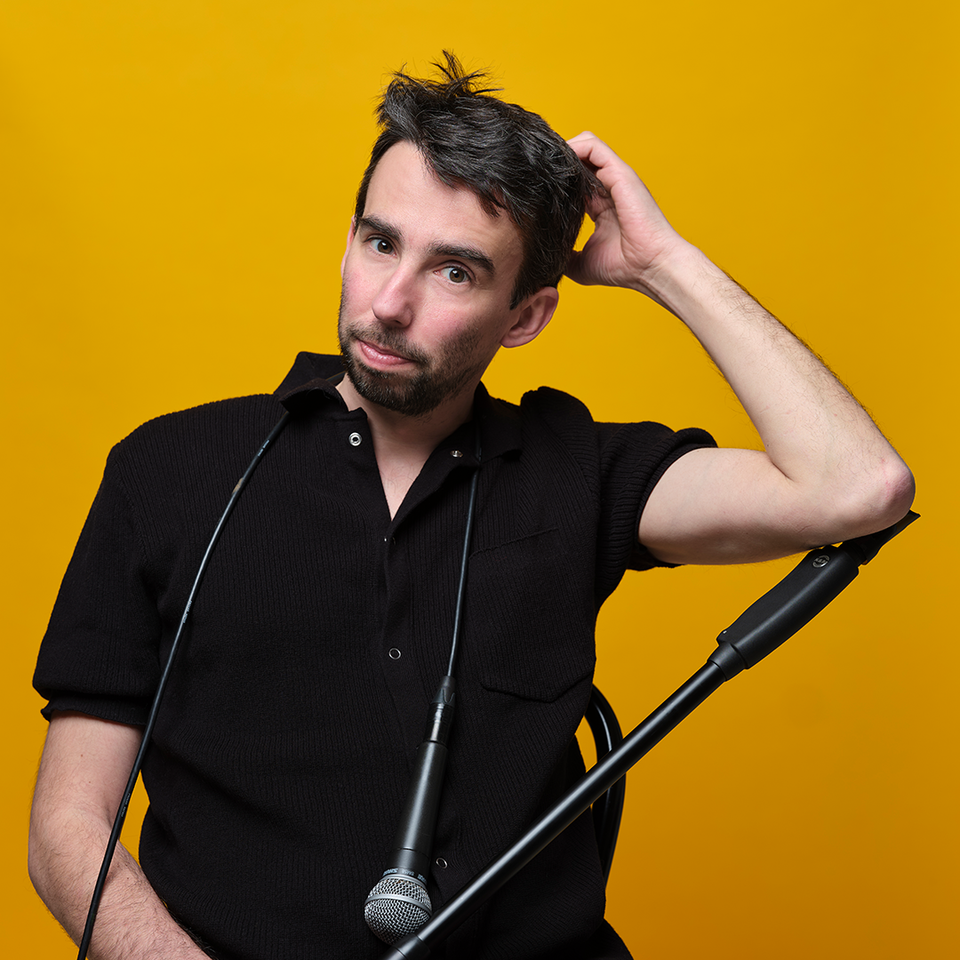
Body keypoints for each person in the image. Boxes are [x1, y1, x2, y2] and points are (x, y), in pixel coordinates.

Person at [28, 53, 914, 960]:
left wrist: (663, 265)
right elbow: (69, 826)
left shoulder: (576, 467)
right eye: (381, 244)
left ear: (525, 317)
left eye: (454, 272)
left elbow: (859, 488)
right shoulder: (169, 470)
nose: (391, 304)